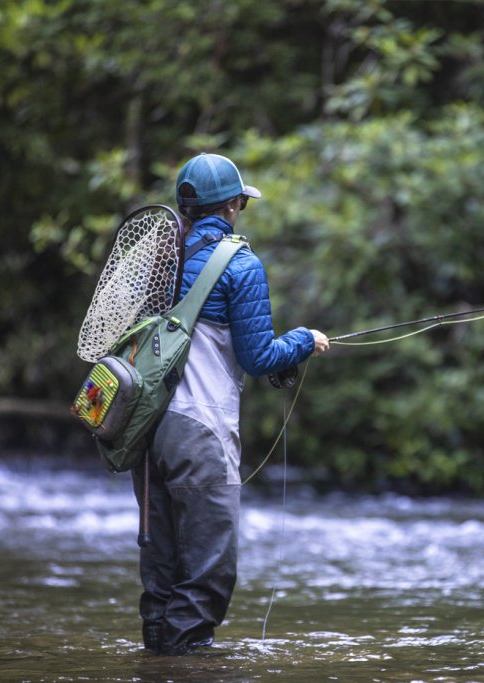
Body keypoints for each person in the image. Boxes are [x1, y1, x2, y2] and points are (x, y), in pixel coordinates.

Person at [132, 152, 329, 655]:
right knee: (206, 578)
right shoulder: (240, 265)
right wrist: (305, 340)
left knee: (161, 578)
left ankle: (158, 667)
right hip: (199, 433)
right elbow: (259, 356)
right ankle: (189, 666)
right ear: (234, 205)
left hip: (143, 431)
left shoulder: (158, 261)